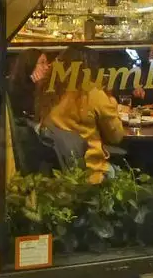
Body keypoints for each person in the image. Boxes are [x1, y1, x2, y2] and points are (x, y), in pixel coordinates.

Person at [37, 45, 126, 184]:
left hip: (60, 172)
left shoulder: (49, 91)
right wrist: (112, 102)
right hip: (91, 172)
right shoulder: (93, 93)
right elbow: (116, 136)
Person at [7, 49, 50, 121]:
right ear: (30, 65)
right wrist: (40, 87)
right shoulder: (16, 92)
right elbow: (38, 114)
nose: (46, 67)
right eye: (42, 63)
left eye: (47, 62)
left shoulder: (48, 86)